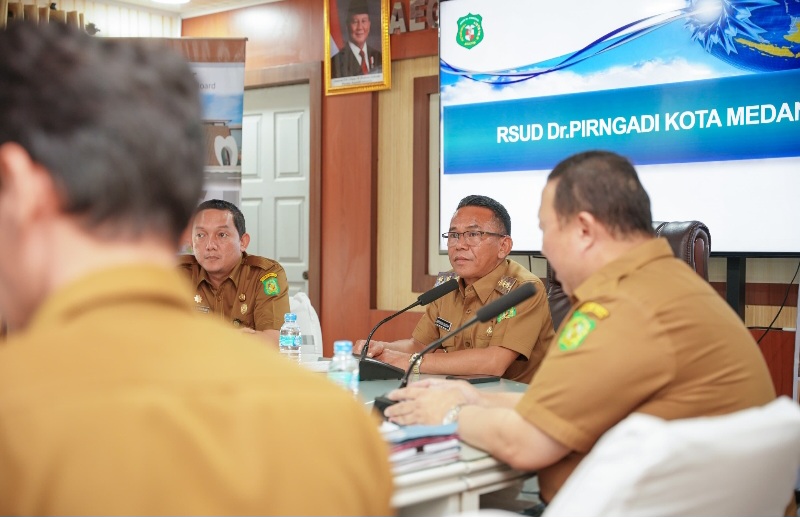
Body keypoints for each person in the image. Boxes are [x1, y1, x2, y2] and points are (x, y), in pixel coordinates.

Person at [0, 21, 393, 515]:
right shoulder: (340, 425)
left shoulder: (16, 414)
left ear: (18, 186)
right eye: (202, 234)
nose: (209, 245)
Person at [383, 150, 792, 513]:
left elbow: (526, 443)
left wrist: (451, 413)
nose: (544, 249)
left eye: (546, 230)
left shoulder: (616, 309)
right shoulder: (670, 289)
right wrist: (472, 397)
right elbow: (555, 412)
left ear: (582, 229)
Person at [355, 195, 554, 383]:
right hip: (461, 396)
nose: (459, 245)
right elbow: (420, 346)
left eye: (473, 234)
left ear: (503, 246)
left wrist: (411, 361)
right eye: (453, 235)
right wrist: (382, 349)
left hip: (518, 406)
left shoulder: (524, 290)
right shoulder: (448, 285)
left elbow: (493, 362)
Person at [178, 199, 290, 345]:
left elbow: (274, 342)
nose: (210, 245)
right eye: (200, 235)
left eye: (222, 235)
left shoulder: (265, 274)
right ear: (191, 243)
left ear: (243, 242)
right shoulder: (176, 273)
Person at [330, 0, 383, 79]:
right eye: (355, 22)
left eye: (364, 21)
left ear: (369, 24)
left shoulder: (379, 57)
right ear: (347, 25)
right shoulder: (335, 63)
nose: (360, 27)